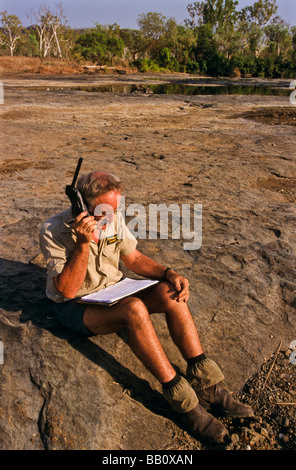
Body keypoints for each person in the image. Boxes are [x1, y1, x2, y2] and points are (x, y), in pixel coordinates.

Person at [39, 170, 254, 444]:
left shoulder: (111, 217)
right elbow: (66, 289)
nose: (110, 216)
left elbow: (134, 258)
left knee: (169, 292)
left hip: (113, 293)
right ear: (81, 205)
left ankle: (209, 384)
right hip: (76, 306)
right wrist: (82, 245)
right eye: (104, 210)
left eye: (114, 209)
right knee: (133, 309)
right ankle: (183, 402)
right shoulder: (53, 230)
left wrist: (168, 273)